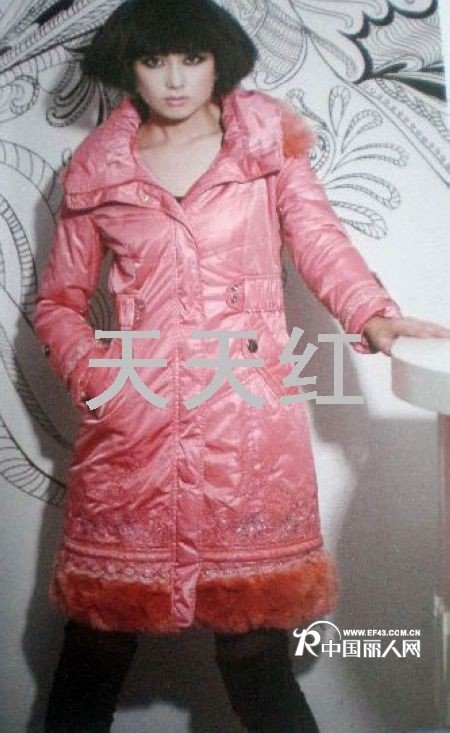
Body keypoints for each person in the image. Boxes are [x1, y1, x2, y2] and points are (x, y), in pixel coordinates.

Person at [34, 0, 450, 730]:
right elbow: (58, 303)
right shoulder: (97, 171)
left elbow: (319, 239)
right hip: (133, 434)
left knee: (254, 651)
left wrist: (374, 316)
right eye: (153, 60)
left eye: (191, 58)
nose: (174, 80)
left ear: (217, 60)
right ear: (128, 66)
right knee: (95, 645)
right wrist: (97, 379)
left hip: (246, 433)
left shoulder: (264, 147)